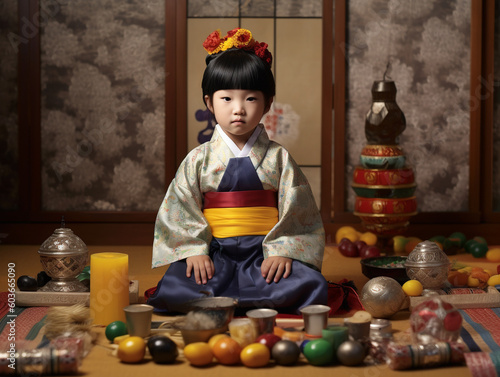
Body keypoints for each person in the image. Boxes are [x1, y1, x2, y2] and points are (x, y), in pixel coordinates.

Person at [147, 28, 328, 315]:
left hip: (264, 254)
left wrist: (283, 250)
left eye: (250, 99)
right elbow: (179, 208)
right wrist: (194, 249)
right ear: (209, 102)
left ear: (268, 103)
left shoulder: (278, 157)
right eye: (227, 98)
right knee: (176, 288)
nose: (238, 109)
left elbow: (299, 213)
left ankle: (244, 290)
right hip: (214, 253)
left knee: (311, 285)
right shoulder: (199, 159)